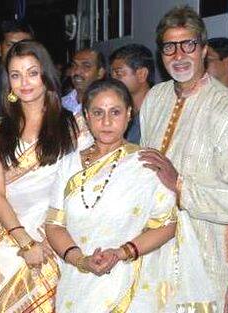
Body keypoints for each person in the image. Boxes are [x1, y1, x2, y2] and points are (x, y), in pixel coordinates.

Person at [45, 78, 216, 312]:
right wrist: (81, 261)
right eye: (98, 112)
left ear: (129, 114)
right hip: (77, 284)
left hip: (132, 283)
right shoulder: (68, 165)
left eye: (115, 112)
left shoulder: (147, 164)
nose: (106, 121)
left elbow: (167, 225)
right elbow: (54, 225)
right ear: (86, 115)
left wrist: (121, 253)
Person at [139, 6, 228, 312]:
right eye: (169, 46)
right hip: (158, 258)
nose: (178, 55)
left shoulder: (227, 111)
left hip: (210, 266)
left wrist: (180, 186)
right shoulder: (156, 98)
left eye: (188, 45)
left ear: (204, 50)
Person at [0, 40, 92, 312]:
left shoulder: (73, 125)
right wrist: (25, 241)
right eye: (16, 74)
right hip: (8, 241)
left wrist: (49, 240)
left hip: (57, 238)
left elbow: (84, 187)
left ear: (46, 75)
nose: (25, 82)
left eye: (32, 72)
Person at [110, 44, 155, 143]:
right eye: (112, 75)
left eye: (118, 73)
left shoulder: (159, 113)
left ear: (141, 74)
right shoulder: (118, 111)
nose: (113, 80)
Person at [62, 48, 106, 114]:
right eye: (74, 65)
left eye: (86, 66)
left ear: (100, 73)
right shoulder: (62, 104)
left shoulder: (107, 105)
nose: (77, 71)